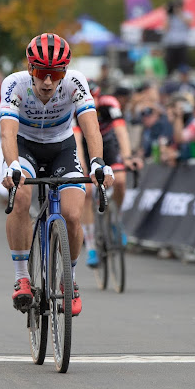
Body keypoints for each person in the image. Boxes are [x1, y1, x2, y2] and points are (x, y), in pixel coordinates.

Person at [0, 33, 114, 317]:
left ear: (64, 72)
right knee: (22, 196)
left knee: (73, 213)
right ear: (30, 70)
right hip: (24, 148)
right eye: (41, 73)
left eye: (55, 73)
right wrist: (12, 165)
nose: (48, 81)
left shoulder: (75, 82)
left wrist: (99, 162)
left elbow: (90, 128)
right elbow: (8, 132)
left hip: (61, 148)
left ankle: (69, 281)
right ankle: (22, 277)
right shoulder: (14, 84)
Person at [73, 81, 141, 268]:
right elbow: (77, 141)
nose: (91, 102)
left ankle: (115, 219)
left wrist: (127, 157)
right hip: (84, 148)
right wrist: (83, 168)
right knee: (86, 192)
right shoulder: (72, 108)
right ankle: (92, 245)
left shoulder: (109, 103)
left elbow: (121, 131)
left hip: (107, 144)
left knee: (120, 181)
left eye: (94, 97)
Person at [162, 0, 193, 76]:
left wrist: (179, 14)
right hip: (171, 44)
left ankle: (183, 78)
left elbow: (189, 23)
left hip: (182, 43)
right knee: (169, 64)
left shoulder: (187, 14)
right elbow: (165, 28)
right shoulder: (170, 16)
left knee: (183, 65)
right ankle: (169, 78)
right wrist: (168, 15)